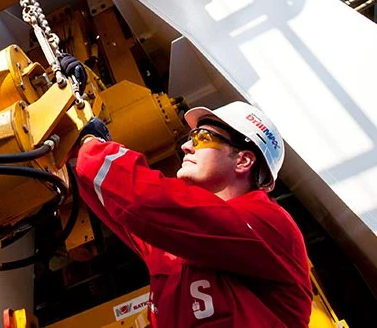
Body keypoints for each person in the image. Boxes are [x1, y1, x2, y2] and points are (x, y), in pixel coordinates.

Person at [74, 100, 312, 327]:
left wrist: (95, 146)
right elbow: (116, 198)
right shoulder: (181, 241)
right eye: (191, 138)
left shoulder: (270, 224)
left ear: (243, 160)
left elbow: (145, 199)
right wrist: (78, 131)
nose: (186, 146)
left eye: (203, 138)